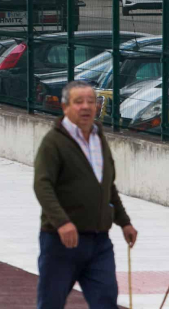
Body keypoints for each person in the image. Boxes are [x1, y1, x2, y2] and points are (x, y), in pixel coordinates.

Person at [34, 80, 138, 309]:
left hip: (99, 241)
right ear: (65, 107)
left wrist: (125, 222)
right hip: (61, 242)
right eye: (78, 101)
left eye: (91, 101)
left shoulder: (99, 139)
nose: (86, 107)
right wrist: (62, 223)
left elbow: (107, 186)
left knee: (106, 300)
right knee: (51, 303)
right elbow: (42, 186)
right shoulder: (53, 143)